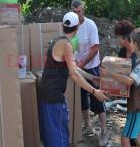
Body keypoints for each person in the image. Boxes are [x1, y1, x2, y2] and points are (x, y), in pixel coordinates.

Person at [38, 12, 108, 147]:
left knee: (51, 135)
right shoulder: (66, 45)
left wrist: (92, 77)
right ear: (77, 28)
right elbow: (74, 74)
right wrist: (94, 91)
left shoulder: (58, 40)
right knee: (59, 136)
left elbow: (73, 68)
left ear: (63, 26)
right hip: (53, 97)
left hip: (48, 94)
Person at [101, 28, 140, 147]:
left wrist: (110, 73)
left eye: (131, 41)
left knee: (125, 138)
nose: (130, 43)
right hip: (137, 106)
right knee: (135, 136)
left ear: (136, 44)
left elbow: (129, 81)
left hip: (137, 107)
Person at [71, 0, 109, 146]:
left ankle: (104, 130)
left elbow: (95, 48)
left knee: (98, 98)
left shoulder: (90, 25)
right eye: (74, 12)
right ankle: (87, 125)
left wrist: (80, 63)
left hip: (92, 67)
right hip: (77, 67)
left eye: (78, 11)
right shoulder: (71, 25)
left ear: (83, 10)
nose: (76, 14)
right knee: (81, 98)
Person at [114, 20, 137, 147]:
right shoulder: (122, 52)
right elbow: (119, 72)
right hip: (130, 94)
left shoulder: (139, 52)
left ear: (125, 37)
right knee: (133, 130)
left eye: (117, 36)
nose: (116, 39)